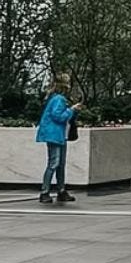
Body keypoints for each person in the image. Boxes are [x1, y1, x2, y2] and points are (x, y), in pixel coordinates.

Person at [35, 73, 82, 204]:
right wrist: (71, 110)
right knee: (55, 163)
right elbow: (58, 116)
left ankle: (60, 190)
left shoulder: (55, 98)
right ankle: (46, 191)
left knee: (59, 164)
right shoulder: (59, 99)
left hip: (59, 135)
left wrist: (72, 111)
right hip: (55, 134)